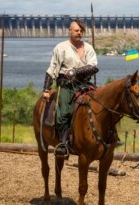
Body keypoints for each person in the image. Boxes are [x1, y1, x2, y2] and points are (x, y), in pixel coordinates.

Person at [42, 19, 99, 157]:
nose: (79, 33)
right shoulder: (60, 48)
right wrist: (46, 89)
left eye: (81, 31)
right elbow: (52, 69)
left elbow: (93, 67)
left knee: (101, 104)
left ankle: (108, 137)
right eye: (76, 30)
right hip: (66, 85)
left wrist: (75, 71)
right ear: (69, 30)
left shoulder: (88, 48)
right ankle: (63, 144)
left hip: (85, 84)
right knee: (64, 113)